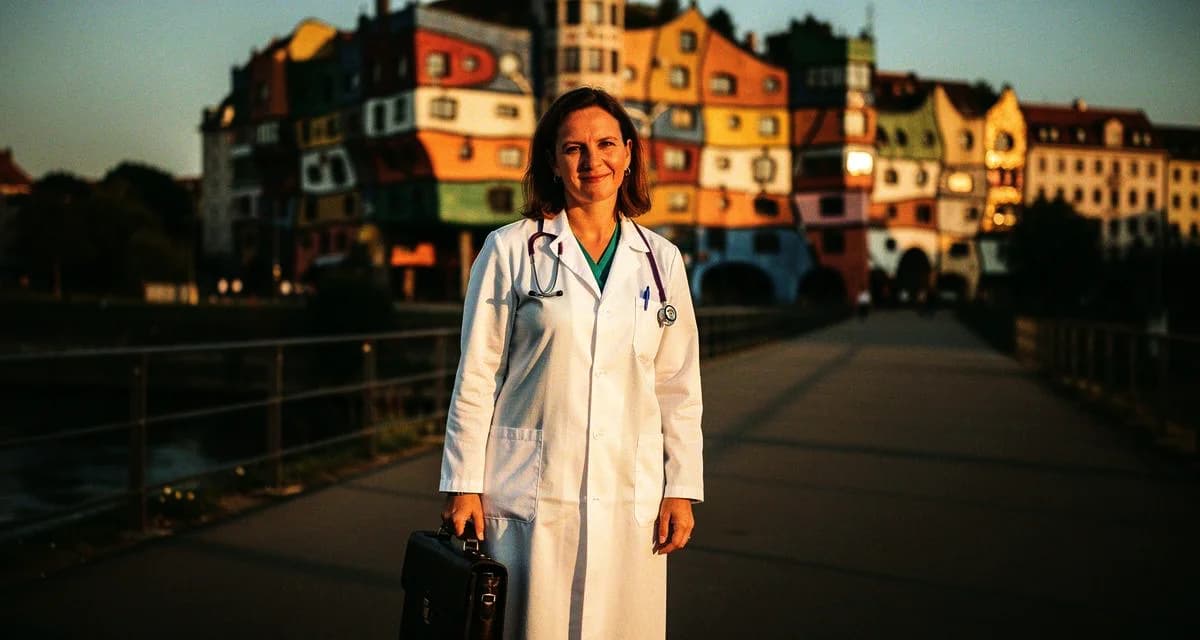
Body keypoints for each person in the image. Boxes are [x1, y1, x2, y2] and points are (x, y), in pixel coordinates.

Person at [438, 87, 704, 639]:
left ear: (628, 154)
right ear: (553, 162)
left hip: (629, 489)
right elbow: (478, 374)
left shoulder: (661, 261)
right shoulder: (510, 250)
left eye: (605, 144)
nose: (592, 161)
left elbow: (677, 386)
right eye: (573, 148)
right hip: (530, 490)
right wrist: (463, 483)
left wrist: (680, 486)